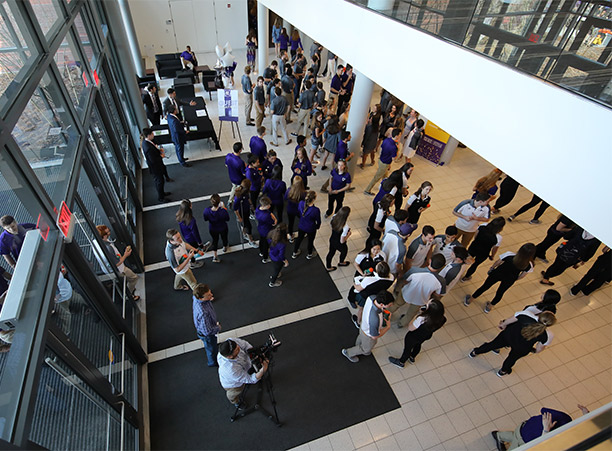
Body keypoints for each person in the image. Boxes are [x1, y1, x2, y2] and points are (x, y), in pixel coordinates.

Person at [469, 311, 556, 377]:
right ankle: (503, 371)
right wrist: (535, 351)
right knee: (512, 359)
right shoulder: (548, 335)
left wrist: (502, 325)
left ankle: (475, 352)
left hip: (508, 336)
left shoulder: (525, 315)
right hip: (522, 348)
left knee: (492, 345)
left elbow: (508, 321)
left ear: (540, 315)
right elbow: (539, 348)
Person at [464, 243, 536, 313]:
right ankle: (489, 307)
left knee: (485, 286)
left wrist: (492, 268)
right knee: (500, 293)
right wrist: (515, 279)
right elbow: (522, 276)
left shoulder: (510, 255)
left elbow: (498, 262)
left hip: (497, 273)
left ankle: (470, 299)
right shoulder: (530, 265)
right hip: (510, 279)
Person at [492, 404, 589, 450]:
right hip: (523, 443)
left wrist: (587, 417)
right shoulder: (557, 438)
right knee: (515, 441)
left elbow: (543, 410)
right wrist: (546, 431)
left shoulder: (558, 417)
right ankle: (499, 436)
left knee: (514, 436)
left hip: (523, 427)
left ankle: (498, 435)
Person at [390, 254, 447, 328]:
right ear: (442, 266)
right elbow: (438, 295)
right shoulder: (441, 281)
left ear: (430, 260)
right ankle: (401, 324)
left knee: (396, 304)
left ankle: (387, 314)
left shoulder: (415, 270)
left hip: (406, 293)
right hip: (420, 300)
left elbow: (405, 280)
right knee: (410, 314)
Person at [388, 298, 447, 367]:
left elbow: (410, 328)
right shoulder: (442, 319)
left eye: (427, 305)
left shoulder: (422, 319)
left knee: (408, 349)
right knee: (418, 345)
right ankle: (412, 357)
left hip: (413, 336)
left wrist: (416, 317)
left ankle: (401, 362)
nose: (425, 304)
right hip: (426, 336)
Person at [342, 291, 395, 363]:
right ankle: (349, 352)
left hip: (364, 326)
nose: (391, 306)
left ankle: (358, 345)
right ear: (382, 304)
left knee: (361, 337)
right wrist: (388, 327)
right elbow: (374, 336)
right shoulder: (374, 319)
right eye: (389, 305)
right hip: (368, 335)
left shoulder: (372, 297)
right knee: (366, 349)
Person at [218, 338, 268, 406]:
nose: (239, 348)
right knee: (234, 393)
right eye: (237, 350)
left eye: (238, 346)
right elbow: (250, 379)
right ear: (229, 356)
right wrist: (263, 370)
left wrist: (253, 352)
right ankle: (236, 402)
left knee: (245, 376)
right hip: (234, 385)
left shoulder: (232, 342)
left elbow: (245, 345)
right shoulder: (231, 370)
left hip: (244, 369)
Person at [95, 224, 140, 300]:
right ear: (105, 236)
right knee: (134, 278)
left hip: (107, 269)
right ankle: (128, 294)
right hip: (119, 269)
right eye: (108, 231)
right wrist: (126, 255)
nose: (109, 232)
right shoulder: (108, 249)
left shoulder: (95, 242)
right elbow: (117, 263)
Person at [349, 262, 394, 327]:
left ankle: (358, 322)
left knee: (361, 309)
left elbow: (358, 288)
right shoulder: (391, 277)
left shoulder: (369, 280)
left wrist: (354, 282)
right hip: (377, 295)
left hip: (365, 296)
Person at [462, 217, 505, 281]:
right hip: (483, 253)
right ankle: (466, 277)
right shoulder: (498, 238)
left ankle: (458, 270)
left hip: (474, 247)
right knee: (475, 265)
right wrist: (492, 256)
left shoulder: (483, 226)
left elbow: (476, 235)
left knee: (465, 259)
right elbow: (494, 249)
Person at [364, 128, 401, 195]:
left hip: (381, 160)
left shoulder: (386, 140)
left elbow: (382, 148)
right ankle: (367, 190)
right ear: (397, 136)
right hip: (385, 163)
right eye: (400, 135)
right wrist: (398, 149)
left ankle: (385, 187)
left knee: (385, 177)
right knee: (376, 177)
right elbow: (394, 158)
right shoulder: (393, 147)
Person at [192, 284, 220, 367]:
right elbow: (207, 331)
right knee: (211, 349)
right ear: (201, 298)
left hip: (205, 327)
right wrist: (218, 328)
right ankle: (212, 362)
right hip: (207, 335)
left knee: (212, 346)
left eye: (210, 292)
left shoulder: (196, 298)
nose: (211, 295)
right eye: (208, 295)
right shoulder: (203, 313)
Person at [141, 128, 170, 202]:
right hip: (155, 167)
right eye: (152, 134)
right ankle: (161, 198)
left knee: (160, 181)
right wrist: (161, 156)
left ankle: (162, 193)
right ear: (149, 135)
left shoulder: (146, 142)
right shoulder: (148, 147)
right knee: (159, 181)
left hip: (156, 166)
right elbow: (153, 160)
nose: (153, 135)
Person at [292, 190, 321, 259]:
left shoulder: (301, 203)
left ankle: (295, 252)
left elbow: (298, 213)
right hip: (311, 228)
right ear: (314, 199)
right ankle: (309, 254)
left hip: (301, 225)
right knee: (310, 241)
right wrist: (317, 226)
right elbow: (318, 220)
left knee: (299, 239)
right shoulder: (315, 210)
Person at [381, 209, 410, 277]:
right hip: (391, 267)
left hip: (386, 243)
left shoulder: (389, 219)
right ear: (401, 221)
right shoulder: (399, 230)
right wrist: (400, 272)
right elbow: (398, 264)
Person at [203, 194, 230, 263]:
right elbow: (227, 218)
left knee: (215, 241)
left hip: (213, 228)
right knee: (224, 237)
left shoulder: (207, 210)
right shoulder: (222, 211)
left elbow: (205, 219)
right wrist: (224, 208)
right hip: (222, 227)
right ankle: (224, 247)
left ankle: (215, 255)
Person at [325, 206, 351, 271]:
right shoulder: (345, 227)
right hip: (339, 243)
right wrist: (348, 235)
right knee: (344, 251)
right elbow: (342, 241)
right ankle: (341, 262)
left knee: (331, 253)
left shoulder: (334, 217)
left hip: (332, 239)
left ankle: (328, 267)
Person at [233, 181, 258, 248]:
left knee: (244, 225)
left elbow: (248, 198)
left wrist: (251, 205)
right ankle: (251, 240)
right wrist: (239, 217)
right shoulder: (239, 196)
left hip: (246, 211)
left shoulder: (245, 192)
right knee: (248, 226)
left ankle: (244, 234)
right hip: (242, 213)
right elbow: (235, 209)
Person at [268, 223, 289, 287]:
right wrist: (285, 261)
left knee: (276, 267)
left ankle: (277, 274)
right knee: (276, 270)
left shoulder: (271, 234)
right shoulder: (282, 244)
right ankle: (272, 282)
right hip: (277, 259)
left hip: (271, 254)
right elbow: (281, 255)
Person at [256, 197, 277, 263]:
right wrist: (275, 220)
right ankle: (265, 258)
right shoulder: (266, 216)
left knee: (262, 241)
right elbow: (272, 222)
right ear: (265, 205)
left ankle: (261, 252)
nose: (270, 206)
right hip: (266, 230)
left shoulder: (258, 208)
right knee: (266, 244)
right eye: (268, 205)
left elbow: (269, 213)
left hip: (260, 228)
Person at [285, 177, 305, 242]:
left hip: (290, 209)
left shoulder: (289, 190)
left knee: (291, 223)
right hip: (299, 210)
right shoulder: (303, 193)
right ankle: (302, 233)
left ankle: (291, 236)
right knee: (301, 221)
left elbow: (285, 198)